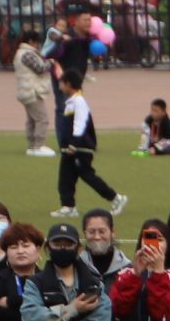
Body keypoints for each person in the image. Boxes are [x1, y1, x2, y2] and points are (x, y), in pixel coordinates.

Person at [51, 70, 123, 219]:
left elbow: (80, 124)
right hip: (70, 149)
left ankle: (116, 198)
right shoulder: (71, 101)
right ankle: (68, 206)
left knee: (87, 175)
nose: (60, 86)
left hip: (79, 149)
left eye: (62, 83)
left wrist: (73, 144)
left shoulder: (79, 102)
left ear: (69, 84)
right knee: (65, 177)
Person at [14, 32, 55, 156]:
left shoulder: (21, 53)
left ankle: (32, 146)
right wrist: (51, 63)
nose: (38, 45)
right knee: (42, 119)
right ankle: (39, 146)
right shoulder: (27, 54)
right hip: (32, 90)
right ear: (31, 41)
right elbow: (40, 69)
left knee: (32, 120)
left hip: (26, 91)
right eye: (37, 42)